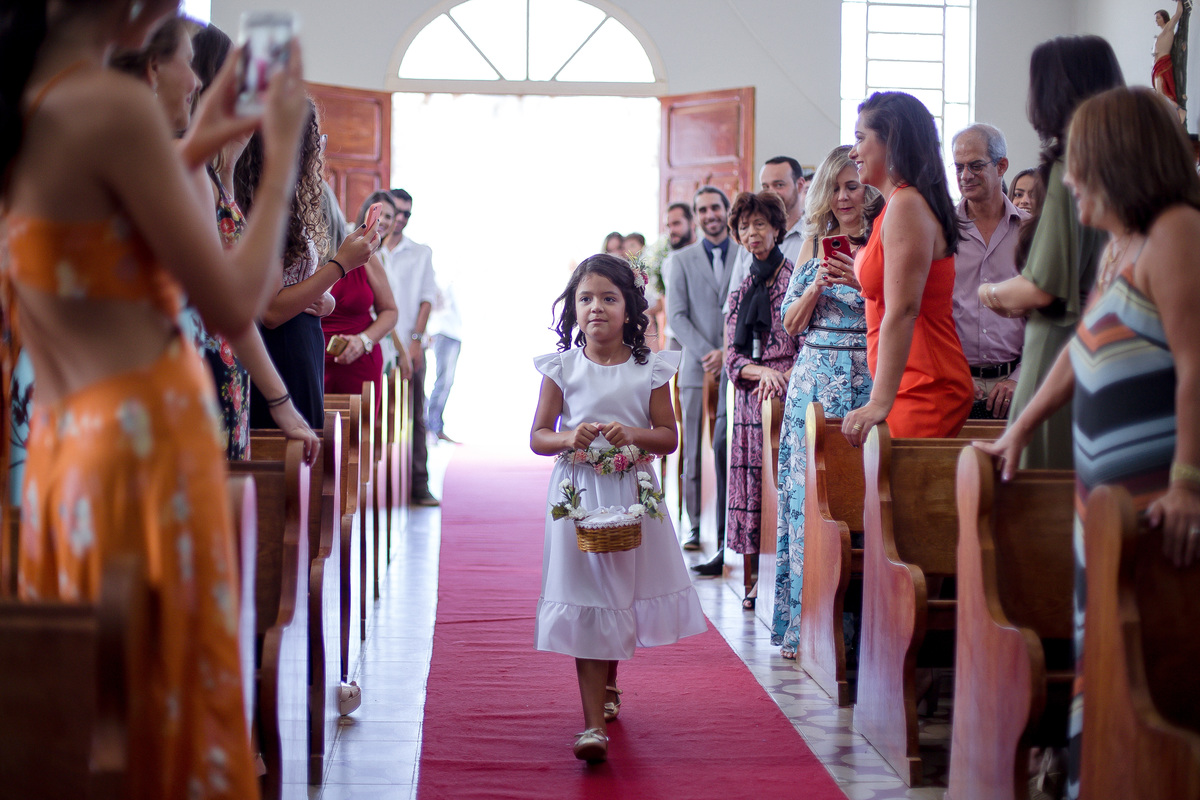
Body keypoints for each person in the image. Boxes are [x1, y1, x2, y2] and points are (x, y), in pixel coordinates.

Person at [1, 0, 309, 795]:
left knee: (103, 714)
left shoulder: (40, 97)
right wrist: (277, 156)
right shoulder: (112, 107)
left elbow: (106, 214)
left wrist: (208, 129)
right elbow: (237, 303)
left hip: (73, 448)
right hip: (143, 450)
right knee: (158, 700)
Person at [977, 85, 1200, 800]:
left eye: (1078, 165)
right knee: (1100, 658)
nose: (1067, 180)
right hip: (1098, 506)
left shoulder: (1178, 233)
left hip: (1153, 508)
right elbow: (1082, 350)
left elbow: (1197, 363)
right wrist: (1020, 428)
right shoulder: (1122, 247)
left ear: (1118, 161)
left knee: (1149, 668)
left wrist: (1188, 482)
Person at [530, 254, 706, 763]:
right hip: (577, 495)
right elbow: (538, 436)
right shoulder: (561, 367)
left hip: (632, 494)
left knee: (619, 592)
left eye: (609, 298)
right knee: (588, 597)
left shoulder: (649, 369)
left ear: (631, 309)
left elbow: (669, 437)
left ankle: (608, 684)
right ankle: (591, 728)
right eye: (585, 299)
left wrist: (633, 434)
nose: (596, 308)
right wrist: (567, 436)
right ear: (573, 309)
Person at [116, 19, 318, 463]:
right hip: (183, 378)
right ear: (153, 68)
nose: (194, 82)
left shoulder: (171, 161)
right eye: (190, 67)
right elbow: (239, 303)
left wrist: (228, 156)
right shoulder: (176, 166)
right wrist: (281, 163)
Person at [981, 36, 1124, 469]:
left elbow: (1041, 287)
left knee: (1039, 479)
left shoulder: (1070, 166)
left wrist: (989, 294)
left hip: (1058, 347)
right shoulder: (1122, 163)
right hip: (1107, 344)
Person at [770, 146, 881, 658]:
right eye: (835, 187)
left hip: (868, 380)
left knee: (863, 506)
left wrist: (859, 278)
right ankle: (804, 623)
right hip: (815, 383)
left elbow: (901, 306)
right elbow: (789, 325)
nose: (843, 196)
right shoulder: (813, 244)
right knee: (809, 502)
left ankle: (864, 638)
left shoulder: (883, 237)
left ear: (867, 190)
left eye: (852, 186)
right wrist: (816, 283)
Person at [235, 101, 378, 431]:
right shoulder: (267, 207)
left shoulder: (281, 200)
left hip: (299, 341)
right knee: (293, 464)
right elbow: (271, 311)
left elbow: (288, 289)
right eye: (316, 140)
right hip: (282, 349)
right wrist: (341, 264)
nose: (320, 150)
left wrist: (324, 299)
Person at [841, 92, 973, 446]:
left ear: (891, 140)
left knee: (901, 499)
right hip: (906, 379)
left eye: (860, 139)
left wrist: (879, 401)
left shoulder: (907, 204)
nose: (853, 152)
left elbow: (904, 309)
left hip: (924, 383)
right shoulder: (895, 205)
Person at [725, 191, 800, 610]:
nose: (751, 233)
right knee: (751, 489)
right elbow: (734, 358)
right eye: (744, 226)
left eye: (759, 225)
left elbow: (808, 346)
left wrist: (782, 376)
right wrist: (762, 373)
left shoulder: (794, 281)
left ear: (776, 228)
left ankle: (784, 580)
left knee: (780, 491)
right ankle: (753, 580)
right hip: (752, 401)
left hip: (787, 397)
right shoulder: (742, 290)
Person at [668, 186, 740, 555]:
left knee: (725, 446)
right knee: (694, 448)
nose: (710, 214)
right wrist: (708, 354)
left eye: (715, 207)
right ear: (696, 217)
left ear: (727, 211)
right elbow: (677, 317)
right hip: (697, 370)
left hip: (737, 366)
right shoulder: (679, 260)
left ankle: (726, 526)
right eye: (702, 209)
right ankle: (694, 525)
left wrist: (728, 352)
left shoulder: (745, 252)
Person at [950, 123, 1029, 421]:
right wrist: (955, 372)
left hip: (1016, 382)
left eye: (975, 165)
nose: (965, 176)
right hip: (954, 382)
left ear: (1002, 166)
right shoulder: (942, 229)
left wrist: (1019, 377)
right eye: (958, 167)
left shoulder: (1030, 230)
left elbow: (1045, 314)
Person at [382, 187, 439, 506]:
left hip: (409, 342)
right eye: (396, 213)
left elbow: (426, 298)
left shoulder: (420, 252)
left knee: (416, 414)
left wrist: (416, 342)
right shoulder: (370, 248)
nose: (401, 219)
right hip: (376, 345)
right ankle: (376, 484)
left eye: (406, 214)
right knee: (374, 415)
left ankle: (419, 483)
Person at [323, 192, 399, 404]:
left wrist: (363, 341)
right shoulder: (294, 255)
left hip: (358, 364)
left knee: (358, 433)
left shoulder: (361, 253)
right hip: (308, 361)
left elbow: (390, 311)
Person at [725, 156, 809, 295]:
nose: (771, 192)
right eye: (765, 187)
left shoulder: (816, 234)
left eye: (779, 185)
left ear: (800, 185)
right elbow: (733, 300)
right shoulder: (751, 240)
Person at [426, 271, 463, 443]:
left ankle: (436, 427)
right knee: (442, 382)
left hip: (455, 333)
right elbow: (435, 304)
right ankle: (432, 428)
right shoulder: (443, 279)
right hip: (443, 332)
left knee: (447, 382)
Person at [1153, 1, 1190, 119]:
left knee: (1160, 93)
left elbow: (1178, 13)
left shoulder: (1169, 28)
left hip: (1163, 63)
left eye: (1158, 17)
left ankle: (1179, 110)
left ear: (1164, 18)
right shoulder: (1161, 33)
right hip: (1158, 64)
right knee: (1160, 93)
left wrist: (1180, 1)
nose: (1156, 20)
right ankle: (1173, 113)